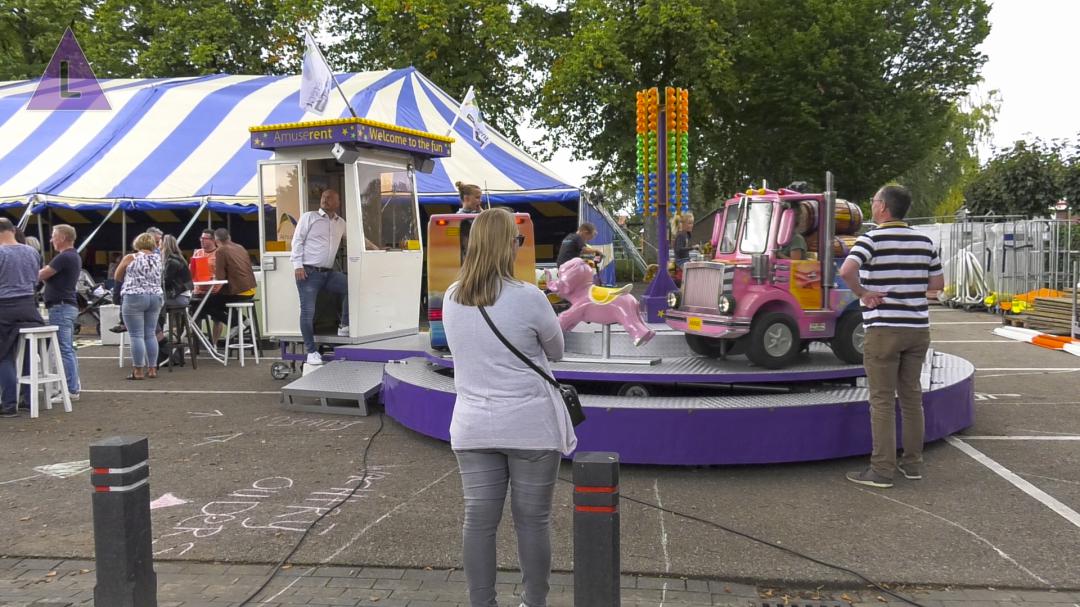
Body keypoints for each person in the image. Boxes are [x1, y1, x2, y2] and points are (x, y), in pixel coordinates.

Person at [442, 208, 576, 607]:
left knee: (478, 523)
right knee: (532, 523)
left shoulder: (451, 296)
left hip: (473, 426)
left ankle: (482, 602)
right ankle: (534, 602)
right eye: (517, 242)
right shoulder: (529, 297)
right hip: (530, 425)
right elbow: (557, 352)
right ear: (508, 246)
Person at [839, 185, 944, 488]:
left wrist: (864, 293)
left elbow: (847, 270)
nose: (871, 206)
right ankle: (912, 463)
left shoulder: (870, 239)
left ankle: (881, 470)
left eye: (873, 201)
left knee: (882, 400)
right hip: (917, 329)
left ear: (883, 207)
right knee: (911, 398)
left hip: (884, 328)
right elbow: (937, 283)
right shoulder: (925, 241)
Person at [291, 189, 350, 365]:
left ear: (338, 202)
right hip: (308, 272)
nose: (325, 200)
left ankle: (344, 325)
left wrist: (374, 248)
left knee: (351, 287)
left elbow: (354, 239)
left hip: (328, 273)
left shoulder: (341, 223)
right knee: (308, 312)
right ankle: (311, 352)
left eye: (330, 197)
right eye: (324, 197)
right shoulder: (309, 217)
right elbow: (297, 241)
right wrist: (297, 265)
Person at [0, 218, 44, 418]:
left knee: (4, 354)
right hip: (28, 306)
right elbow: (36, 279)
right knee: (27, 352)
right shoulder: (31, 251)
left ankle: (9, 403)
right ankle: (28, 398)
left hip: (4, 307)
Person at [38, 224, 82, 403]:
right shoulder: (73, 256)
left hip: (61, 306)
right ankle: (72, 386)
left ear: (62, 238)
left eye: (53, 236)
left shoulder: (63, 257)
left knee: (64, 349)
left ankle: (71, 389)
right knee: (68, 349)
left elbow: (40, 275)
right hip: (66, 306)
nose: (51, 240)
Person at [115, 233, 163, 379]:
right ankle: (153, 368)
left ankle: (138, 370)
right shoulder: (158, 258)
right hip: (155, 296)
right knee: (150, 334)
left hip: (134, 296)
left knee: (136, 335)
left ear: (137, 244)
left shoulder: (131, 257)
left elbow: (117, 275)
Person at [196, 228, 257, 343]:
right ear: (229, 237)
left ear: (216, 240)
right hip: (251, 289)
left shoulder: (221, 251)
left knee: (204, 304)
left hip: (238, 291)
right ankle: (243, 321)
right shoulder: (240, 247)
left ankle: (237, 324)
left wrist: (212, 280)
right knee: (217, 301)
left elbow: (220, 277)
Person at [161, 235, 193, 308]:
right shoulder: (178, 259)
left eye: (159, 243)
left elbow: (165, 282)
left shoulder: (172, 262)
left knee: (153, 302)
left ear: (164, 245)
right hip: (182, 296)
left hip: (178, 297)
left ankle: (155, 320)